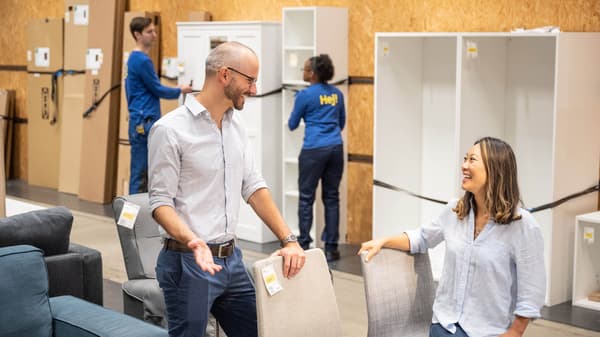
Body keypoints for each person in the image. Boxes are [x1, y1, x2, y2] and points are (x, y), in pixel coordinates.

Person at [148, 41, 306, 337]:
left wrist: (288, 239)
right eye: (250, 80)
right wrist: (193, 241)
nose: (255, 89)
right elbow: (159, 203)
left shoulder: (236, 127)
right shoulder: (170, 130)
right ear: (224, 75)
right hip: (188, 262)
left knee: (259, 331)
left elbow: (254, 187)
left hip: (231, 260)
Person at [358, 137, 546, 337]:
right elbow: (421, 238)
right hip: (443, 325)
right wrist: (384, 241)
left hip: (489, 331)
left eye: (472, 160)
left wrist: (515, 332)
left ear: (495, 169)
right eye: (465, 159)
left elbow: (532, 290)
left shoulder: (523, 225)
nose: (464, 166)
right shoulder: (455, 211)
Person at [288, 54, 346, 262]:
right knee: (331, 198)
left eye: (304, 69)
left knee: (306, 198)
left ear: (312, 73)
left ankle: (303, 243)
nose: (302, 72)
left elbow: (292, 124)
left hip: (313, 150)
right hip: (336, 149)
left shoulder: (304, 95)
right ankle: (332, 248)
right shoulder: (337, 94)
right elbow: (341, 123)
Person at [125, 16, 192, 194]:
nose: (154, 35)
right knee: (141, 173)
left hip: (140, 119)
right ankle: (134, 218)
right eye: (149, 32)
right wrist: (180, 90)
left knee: (142, 172)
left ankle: (139, 215)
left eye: (154, 31)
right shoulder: (141, 60)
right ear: (137, 34)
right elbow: (157, 89)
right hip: (144, 121)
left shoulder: (134, 59)